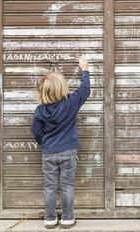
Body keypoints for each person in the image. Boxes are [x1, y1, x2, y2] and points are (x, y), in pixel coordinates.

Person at [31, 58, 90, 229]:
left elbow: (36, 131)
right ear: (62, 87)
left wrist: (45, 143)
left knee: (49, 186)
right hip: (68, 151)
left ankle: (50, 219)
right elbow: (85, 90)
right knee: (67, 186)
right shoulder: (71, 103)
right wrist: (84, 70)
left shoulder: (40, 110)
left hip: (48, 152)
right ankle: (68, 218)